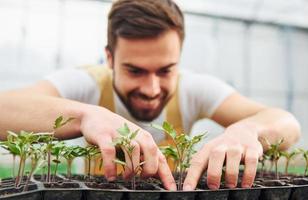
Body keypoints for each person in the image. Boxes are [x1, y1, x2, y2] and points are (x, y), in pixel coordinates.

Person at [0, 0, 301, 191]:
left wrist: (249, 129)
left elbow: (286, 123)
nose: (152, 88)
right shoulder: (85, 84)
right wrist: (86, 115)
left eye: (166, 70)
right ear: (109, 58)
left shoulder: (194, 88)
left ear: (179, 59)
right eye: (135, 71)